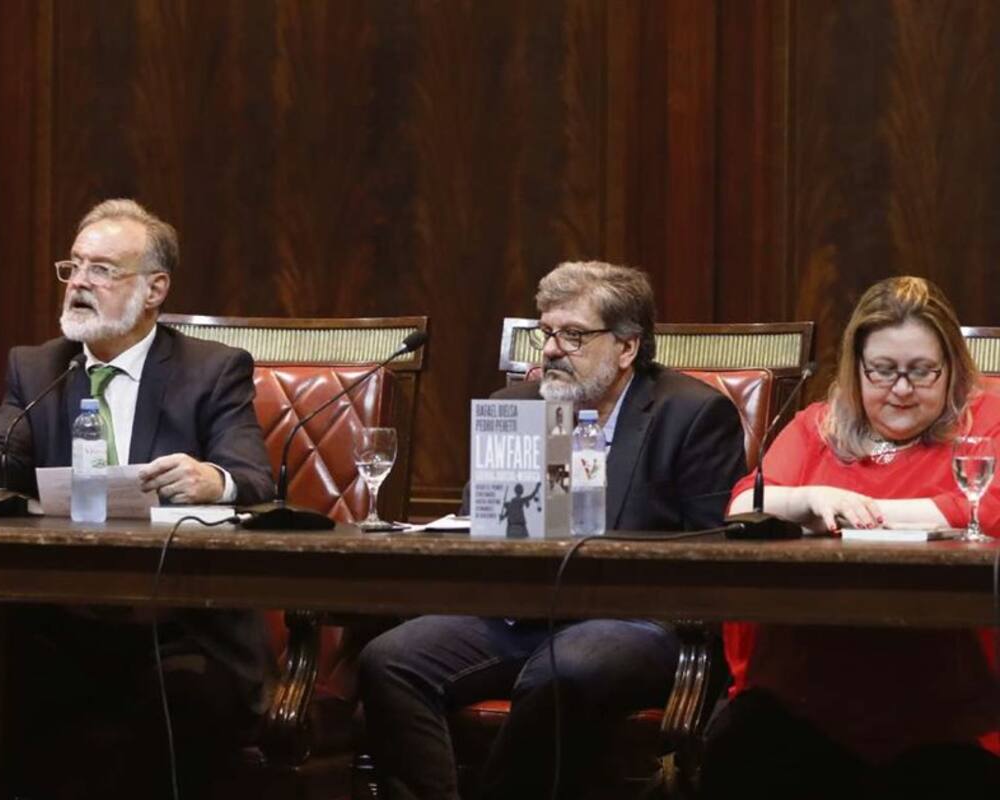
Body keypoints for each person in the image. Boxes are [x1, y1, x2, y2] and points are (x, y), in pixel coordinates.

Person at [0, 199, 276, 800]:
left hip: (181, 638)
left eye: (102, 270)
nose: (79, 283)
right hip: (61, 640)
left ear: (154, 289)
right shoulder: (39, 369)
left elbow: (253, 479)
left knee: (138, 758)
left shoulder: (213, 370)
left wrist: (213, 481)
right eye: (74, 266)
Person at [358, 261, 747, 800]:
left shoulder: (692, 414)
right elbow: (481, 527)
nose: (552, 350)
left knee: (564, 667)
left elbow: (716, 550)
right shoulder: (520, 406)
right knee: (389, 660)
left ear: (627, 347)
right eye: (546, 333)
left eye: (574, 335)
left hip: (633, 621)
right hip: (523, 613)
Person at [704, 276, 1000, 799]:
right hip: (805, 693)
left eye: (921, 371)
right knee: (740, 747)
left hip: (947, 701)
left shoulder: (986, 420)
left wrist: (858, 513)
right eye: (882, 370)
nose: (902, 389)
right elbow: (744, 505)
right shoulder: (817, 426)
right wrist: (811, 498)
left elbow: (985, 510)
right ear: (856, 367)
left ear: (952, 368)